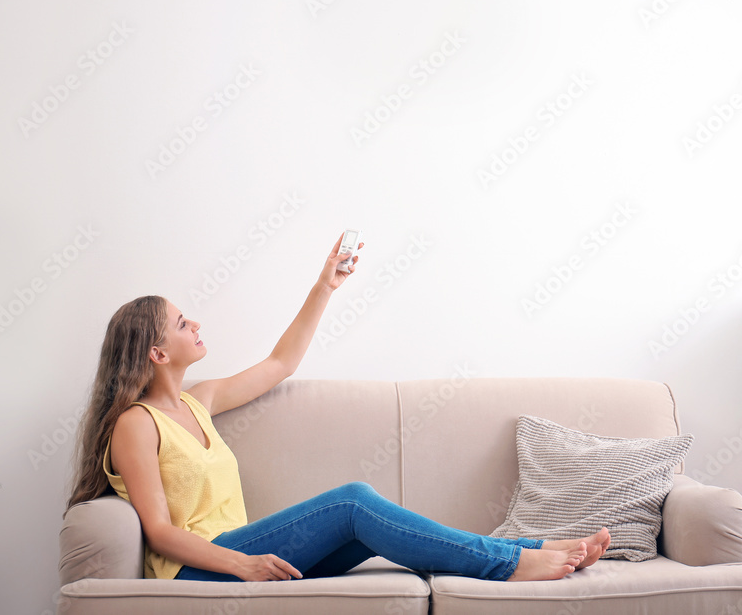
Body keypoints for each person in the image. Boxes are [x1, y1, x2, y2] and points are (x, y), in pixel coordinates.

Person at [66, 234, 610, 582]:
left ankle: (527, 550)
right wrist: (243, 563)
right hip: (201, 569)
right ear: (157, 353)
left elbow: (281, 363)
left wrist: (324, 287)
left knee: (361, 527)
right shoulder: (136, 425)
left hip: (240, 554)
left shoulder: (198, 399)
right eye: (184, 323)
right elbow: (159, 533)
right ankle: (514, 563)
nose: (198, 324)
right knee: (353, 502)